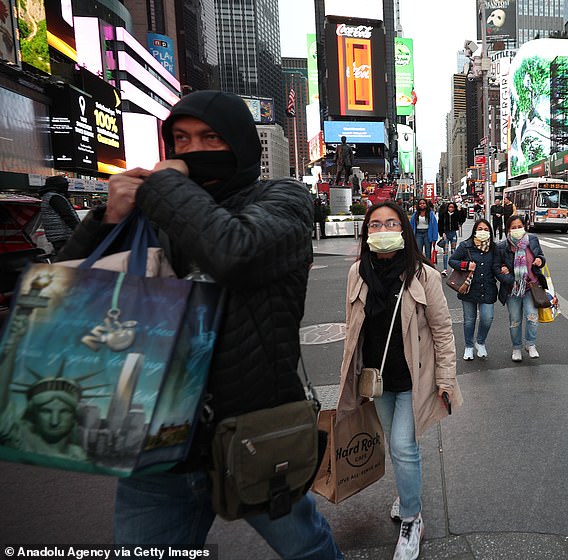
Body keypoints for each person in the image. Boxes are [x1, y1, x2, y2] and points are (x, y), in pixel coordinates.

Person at [58, 91, 342, 558]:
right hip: (153, 442)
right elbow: (69, 295)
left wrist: (166, 188)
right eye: (181, 139)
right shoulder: (154, 212)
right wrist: (107, 219)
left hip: (253, 432)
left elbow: (236, 252)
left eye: (211, 137)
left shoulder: (282, 198)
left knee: (306, 548)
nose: (192, 151)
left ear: (240, 142)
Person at [340, 201, 462, 560]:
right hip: (375, 380)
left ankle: (412, 519)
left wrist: (446, 378)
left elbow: (442, 331)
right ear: (366, 234)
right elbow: (353, 332)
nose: (382, 231)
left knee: (404, 447)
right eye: (375, 225)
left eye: (391, 223)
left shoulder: (423, 275)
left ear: (404, 230)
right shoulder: (356, 274)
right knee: (396, 446)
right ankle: (407, 495)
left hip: (415, 378)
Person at [495, 215, 546, 363]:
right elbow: (496, 268)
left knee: (532, 317)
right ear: (508, 229)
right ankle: (516, 347)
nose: (517, 230)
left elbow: (541, 257)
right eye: (513, 227)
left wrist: (540, 260)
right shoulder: (502, 247)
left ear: (524, 227)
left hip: (532, 286)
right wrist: (511, 279)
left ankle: (530, 344)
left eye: (519, 227)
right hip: (513, 289)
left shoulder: (532, 240)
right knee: (515, 320)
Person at [449, 219, 498, 361]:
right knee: (469, 320)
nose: (483, 232)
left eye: (486, 229)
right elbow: (452, 260)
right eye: (480, 229)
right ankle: (469, 346)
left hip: (488, 288)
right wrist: (465, 265)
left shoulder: (493, 248)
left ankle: (480, 342)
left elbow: (498, 265)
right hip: (468, 289)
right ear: (475, 231)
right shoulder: (466, 246)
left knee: (487, 318)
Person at [39, 175, 80, 253]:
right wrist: (79, 230)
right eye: (65, 185)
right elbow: (68, 216)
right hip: (63, 236)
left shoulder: (48, 196)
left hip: (58, 236)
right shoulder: (55, 197)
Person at [437, 201, 463, 276]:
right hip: (446, 234)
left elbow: (461, 220)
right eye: (449, 207)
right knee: (445, 252)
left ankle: (453, 268)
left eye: (452, 207)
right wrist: (441, 233)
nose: (451, 208)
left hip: (453, 233)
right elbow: (440, 224)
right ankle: (445, 269)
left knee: (453, 251)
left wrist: (460, 210)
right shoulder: (443, 214)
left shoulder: (456, 214)